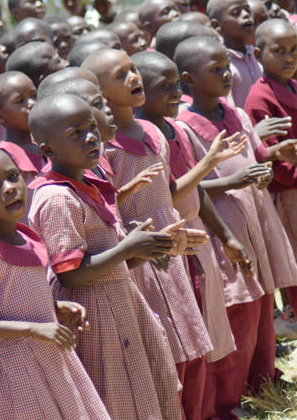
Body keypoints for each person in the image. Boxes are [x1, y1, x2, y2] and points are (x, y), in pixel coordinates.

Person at [173, 35, 297, 417]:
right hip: (222, 226)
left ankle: (264, 380)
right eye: (214, 70)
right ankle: (229, 399)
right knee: (239, 310)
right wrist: (233, 181)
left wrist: (267, 159)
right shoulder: (185, 127)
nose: (226, 75)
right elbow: (191, 186)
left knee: (264, 299)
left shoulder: (236, 113)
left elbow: (252, 153)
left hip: (255, 216)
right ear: (190, 79)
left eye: (225, 68)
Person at [28, 93, 182, 419]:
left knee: (140, 387)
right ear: (48, 150)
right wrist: (128, 248)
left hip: (117, 296)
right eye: (75, 134)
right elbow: (70, 273)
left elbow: (107, 255)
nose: (90, 138)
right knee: (116, 393)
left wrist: (146, 249)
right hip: (93, 308)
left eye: (90, 129)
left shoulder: (85, 183)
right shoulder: (57, 197)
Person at [83, 48, 217, 418]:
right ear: (98, 96)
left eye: (132, 69)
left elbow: (168, 193)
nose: (133, 77)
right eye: (120, 74)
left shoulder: (153, 131)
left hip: (170, 245)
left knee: (191, 340)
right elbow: (111, 212)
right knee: (166, 351)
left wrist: (207, 164)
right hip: (140, 257)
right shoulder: (101, 149)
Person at [133, 50, 251, 419]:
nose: (174, 92)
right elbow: (168, 192)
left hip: (195, 240)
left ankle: (219, 405)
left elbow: (196, 190)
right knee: (187, 340)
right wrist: (208, 164)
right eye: (163, 86)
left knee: (208, 330)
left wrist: (227, 236)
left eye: (176, 85)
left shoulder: (173, 130)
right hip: (168, 248)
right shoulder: (142, 139)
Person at [0, 147, 110, 420]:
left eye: (13, 176)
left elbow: (17, 298)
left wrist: (55, 307)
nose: (10, 188)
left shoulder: (26, 238)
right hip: (16, 364)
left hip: (50, 352)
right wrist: (35, 328)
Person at [244, 19, 297, 365]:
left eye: (295, 50)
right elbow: (272, 160)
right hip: (293, 198)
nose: (289, 57)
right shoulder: (260, 97)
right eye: (279, 51)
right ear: (259, 54)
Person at [0, 72, 43, 220]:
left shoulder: (45, 147)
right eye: (20, 101)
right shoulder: (3, 159)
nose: (32, 103)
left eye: (34, 95)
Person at [206, 0, 262, 107]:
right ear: (217, 26)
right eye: (236, 13)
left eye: (247, 10)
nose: (246, 15)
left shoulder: (257, 53)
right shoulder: (221, 64)